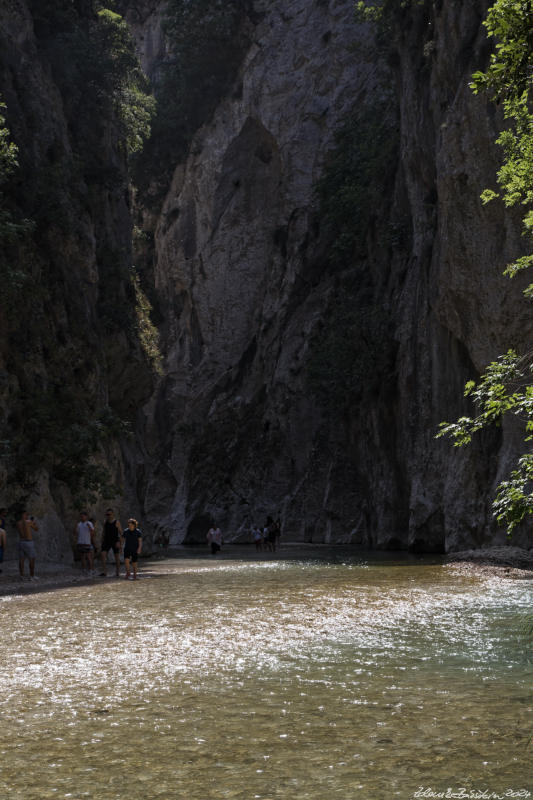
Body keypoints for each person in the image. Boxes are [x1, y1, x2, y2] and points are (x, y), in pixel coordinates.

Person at [100, 508, 123, 577]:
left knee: (116, 557)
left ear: (113, 514)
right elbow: (103, 532)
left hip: (115, 541)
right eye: (107, 514)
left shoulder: (117, 522)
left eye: (109, 514)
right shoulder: (105, 522)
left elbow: (121, 533)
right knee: (103, 555)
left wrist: (120, 543)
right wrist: (102, 540)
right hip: (106, 541)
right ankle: (105, 572)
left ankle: (117, 572)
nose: (108, 516)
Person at [17, 510, 38, 580]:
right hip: (29, 542)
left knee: (21, 559)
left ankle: (21, 576)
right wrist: (34, 523)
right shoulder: (28, 522)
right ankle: (32, 576)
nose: (27, 516)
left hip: (21, 542)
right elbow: (36, 529)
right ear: (24, 515)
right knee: (32, 559)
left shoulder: (18, 523)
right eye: (26, 514)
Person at [75, 511, 95, 575]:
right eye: (81, 516)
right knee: (82, 557)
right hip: (80, 542)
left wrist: (89, 527)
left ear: (86, 516)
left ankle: (91, 570)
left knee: (88, 556)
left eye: (83, 516)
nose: (82, 517)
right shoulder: (79, 524)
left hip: (87, 542)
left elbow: (92, 532)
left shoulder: (89, 523)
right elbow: (76, 533)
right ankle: (83, 569)